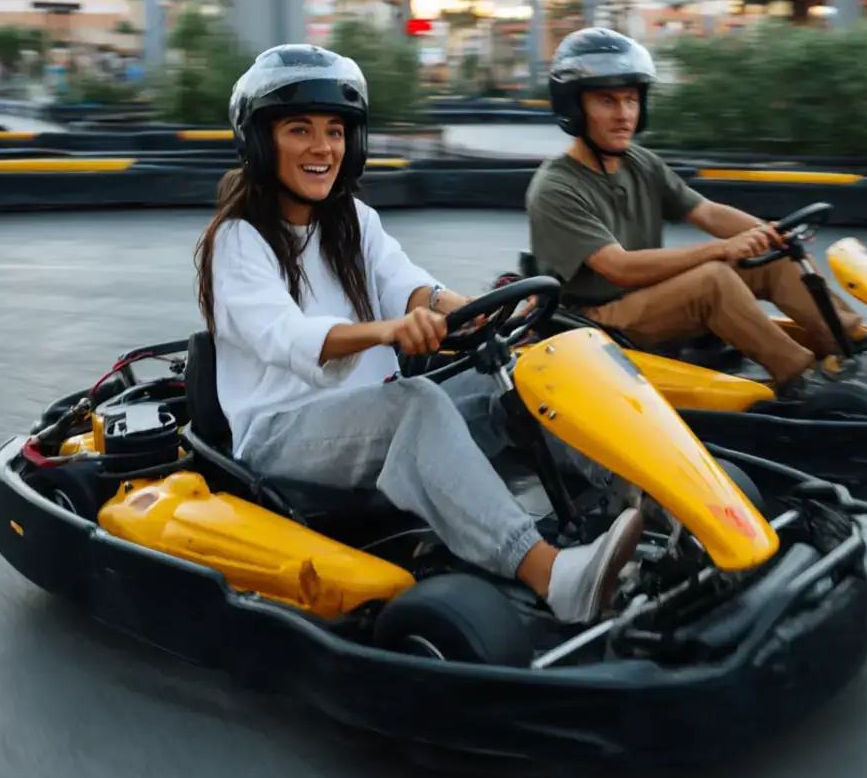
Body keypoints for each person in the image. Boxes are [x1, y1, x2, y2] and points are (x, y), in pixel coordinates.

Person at [192, 43, 644, 625]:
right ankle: (551, 575)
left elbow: (409, 285)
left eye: (335, 131)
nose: (322, 148)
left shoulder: (353, 221)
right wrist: (390, 331)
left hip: (369, 415)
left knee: (528, 372)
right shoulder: (237, 241)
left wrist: (469, 309)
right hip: (280, 435)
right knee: (417, 403)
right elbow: (287, 336)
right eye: (300, 130)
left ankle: (644, 504)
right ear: (260, 142)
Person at [525, 27, 867, 399]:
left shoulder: (639, 162)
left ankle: (853, 342)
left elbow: (706, 212)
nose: (624, 115)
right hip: (596, 324)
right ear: (575, 108)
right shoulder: (557, 187)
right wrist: (722, 249)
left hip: (649, 297)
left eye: (631, 100)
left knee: (775, 257)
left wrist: (771, 235)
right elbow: (618, 268)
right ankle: (802, 380)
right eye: (607, 102)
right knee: (713, 279)